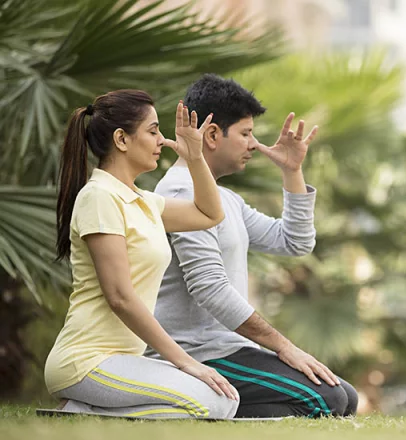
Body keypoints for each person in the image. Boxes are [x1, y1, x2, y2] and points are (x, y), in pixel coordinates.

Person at [148, 74, 358, 418]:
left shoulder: (224, 199)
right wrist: (285, 348)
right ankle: (186, 404)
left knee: (344, 396)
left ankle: (211, 407)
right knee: (329, 401)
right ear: (213, 135)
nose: (253, 144)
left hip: (227, 348)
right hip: (195, 354)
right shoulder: (180, 193)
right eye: (245, 134)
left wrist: (292, 171)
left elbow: (295, 242)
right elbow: (209, 288)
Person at [45, 90, 239, 419]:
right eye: (153, 131)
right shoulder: (100, 197)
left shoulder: (143, 201)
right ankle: (84, 409)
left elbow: (210, 214)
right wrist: (185, 362)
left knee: (225, 399)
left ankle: (85, 411)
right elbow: (119, 296)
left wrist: (195, 158)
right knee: (212, 403)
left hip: (125, 360)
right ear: (122, 139)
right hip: (87, 359)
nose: (162, 141)